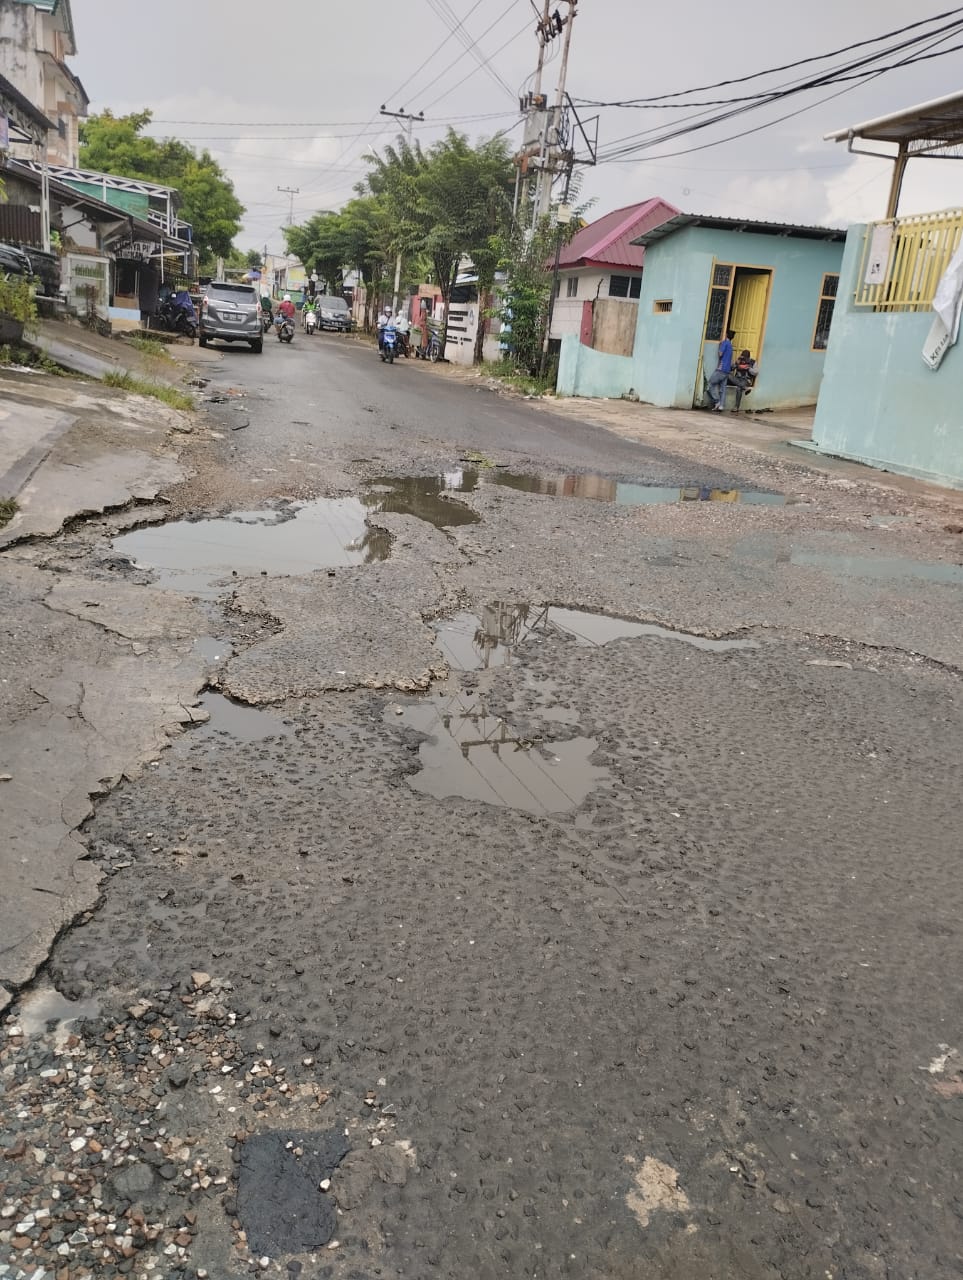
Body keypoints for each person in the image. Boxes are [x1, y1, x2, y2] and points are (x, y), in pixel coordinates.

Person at [707, 328, 735, 411]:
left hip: (721, 369)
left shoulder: (725, 343)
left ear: (726, 335)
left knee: (710, 384)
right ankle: (721, 405)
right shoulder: (730, 345)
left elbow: (720, 354)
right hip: (727, 370)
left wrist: (719, 348)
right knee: (723, 389)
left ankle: (717, 401)